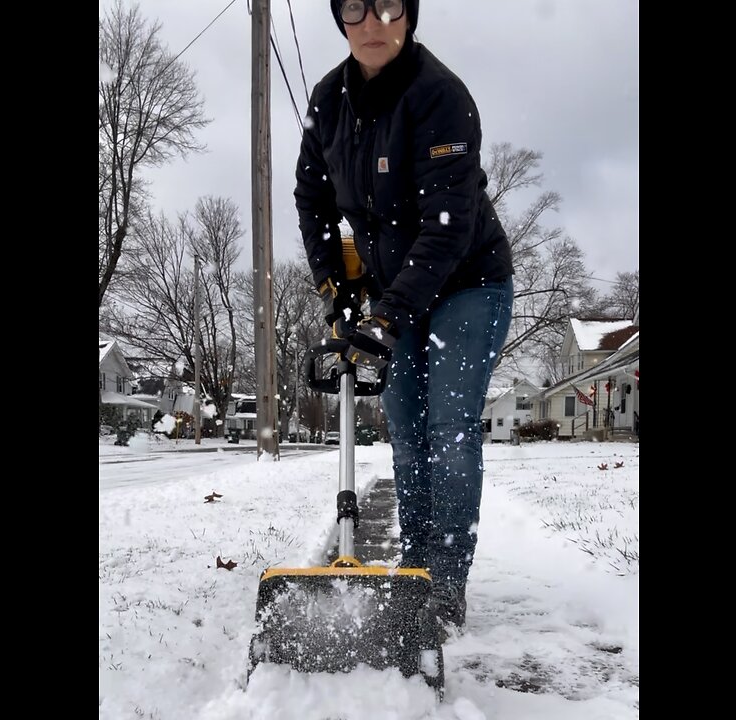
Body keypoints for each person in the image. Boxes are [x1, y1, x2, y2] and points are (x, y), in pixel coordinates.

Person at [295, 0, 514, 630]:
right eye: (356, 8)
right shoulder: (328, 101)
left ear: (409, 15)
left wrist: (385, 320)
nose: (373, 23)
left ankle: (443, 584)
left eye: (389, 6)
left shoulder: (440, 97)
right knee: (408, 432)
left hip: (469, 282)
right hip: (395, 294)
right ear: (340, 17)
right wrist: (331, 282)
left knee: (447, 428)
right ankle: (415, 569)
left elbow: (448, 227)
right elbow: (311, 195)